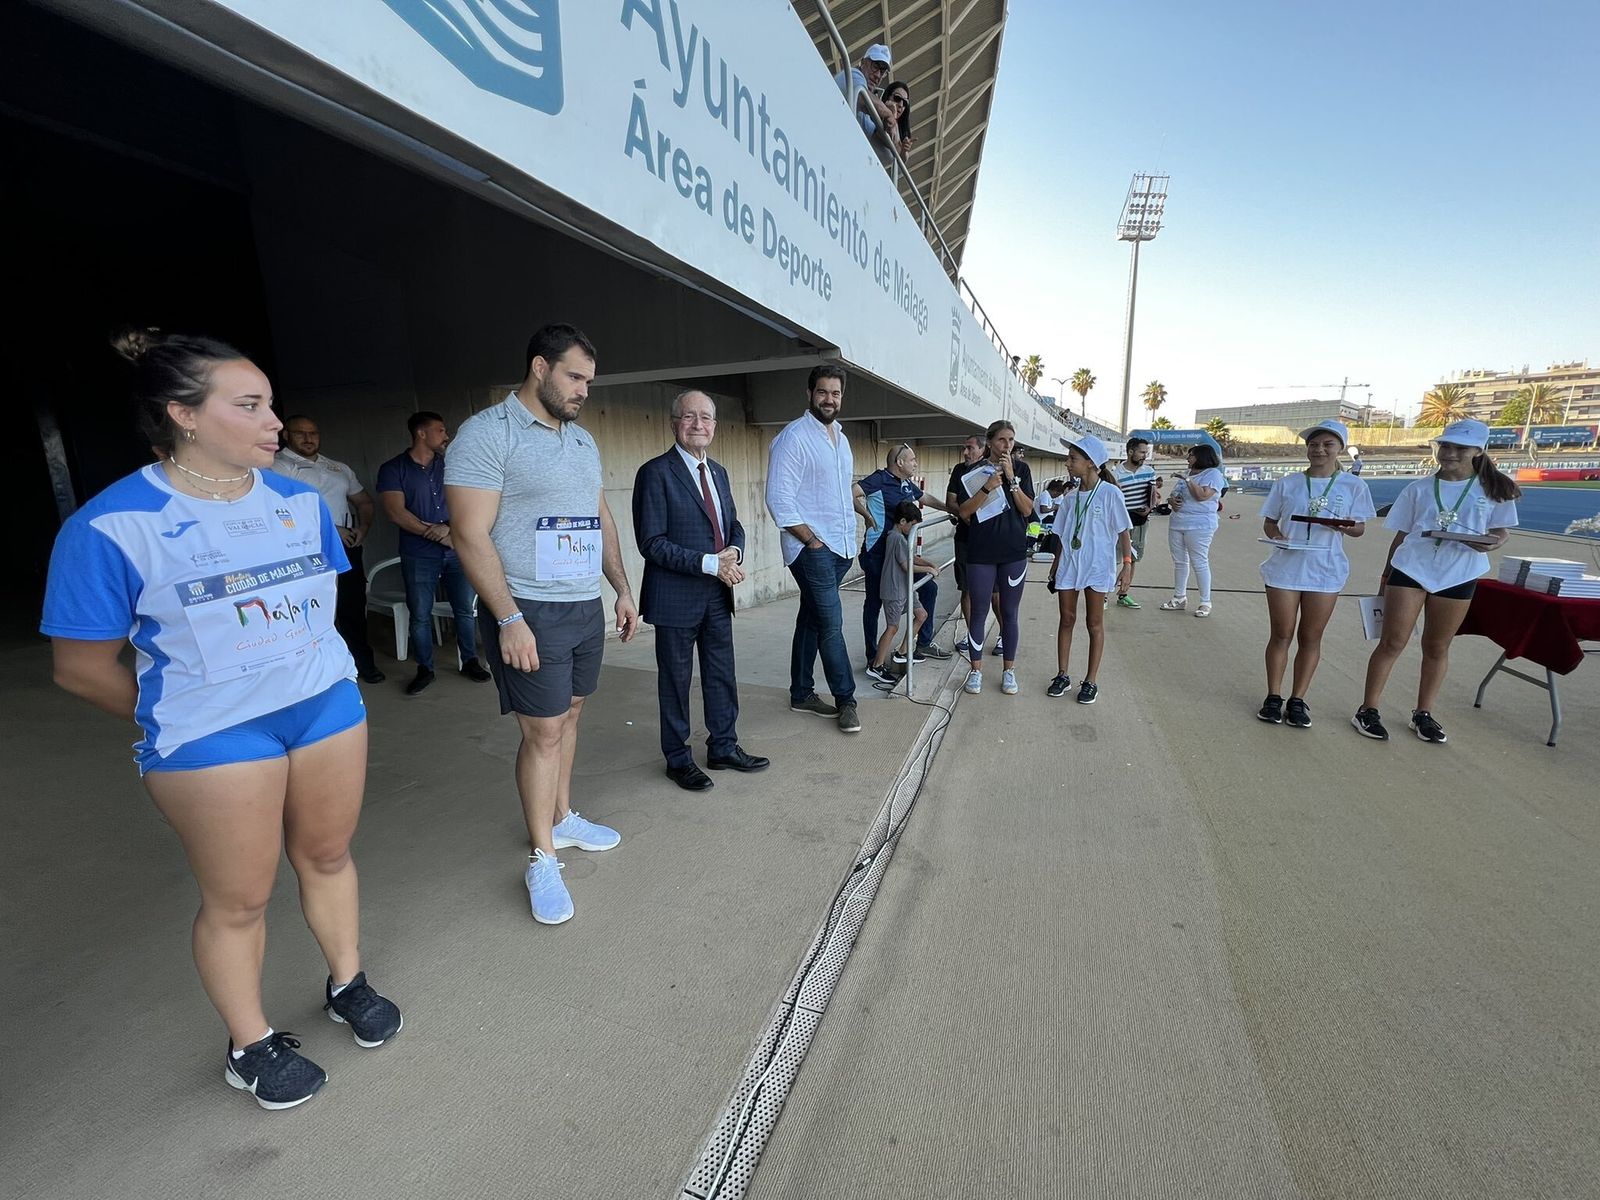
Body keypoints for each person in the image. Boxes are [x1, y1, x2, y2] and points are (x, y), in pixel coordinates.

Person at [42, 331, 401, 1110]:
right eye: (251, 406)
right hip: (214, 738)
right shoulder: (109, 527)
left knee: (330, 857)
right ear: (184, 416)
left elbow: (320, 614)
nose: (277, 421)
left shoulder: (301, 502)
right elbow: (79, 668)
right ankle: (251, 1044)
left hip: (326, 708)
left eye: (271, 403)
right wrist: (188, 715)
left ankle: (349, 983)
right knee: (239, 899)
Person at [445, 323, 638, 925]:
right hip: (529, 609)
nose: (584, 390)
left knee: (572, 713)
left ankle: (562, 815)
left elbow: (600, 514)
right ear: (538, 367)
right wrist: (509, 618)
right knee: (542, 733)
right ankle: (542, 855)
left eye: (589, 380)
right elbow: (468, 533)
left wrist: (622, 588)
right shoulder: (486, 435)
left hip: (582, 606)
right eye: (574, 377)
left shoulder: (581, 442)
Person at [633, 390, 769, 791]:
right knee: (675, 681)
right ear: (674, 423)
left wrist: (734, 549)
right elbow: (651, 542)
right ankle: (678, 759)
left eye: (706, 418)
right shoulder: (655, 472)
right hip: (675, 596)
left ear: (714, 425)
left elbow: (734, 526)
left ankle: (724, 746)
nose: (698, 425)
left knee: (721, 675)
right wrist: (711, 563)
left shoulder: (720, 473)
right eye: (689, 417)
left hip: (715, 595)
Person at [1353, 420, 1519, 744]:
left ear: (1478, 451)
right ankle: (1368, 710)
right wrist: (1385, 577)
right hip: (1411, 570)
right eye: (1445, 446)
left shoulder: (1494, 489)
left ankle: (1423, 713)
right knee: (1392, 642)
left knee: (1437, 646)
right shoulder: (1418, 488)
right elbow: (1402, 535)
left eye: (1460, 448)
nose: (1450, 453)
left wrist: (1492, 543)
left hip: (1459, 574)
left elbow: (1501, 532)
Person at [1257, 420, 1376, 728]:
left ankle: (1297, 700)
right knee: (1281, 634)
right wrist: (1277, 535)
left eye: (1328, 444)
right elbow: (1270, 521)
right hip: (1286, 566)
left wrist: (1343, 526)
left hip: (1325, 568)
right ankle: (1273, 696)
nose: (1319, 450)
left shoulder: (1354, 485)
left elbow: (1360, 528)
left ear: (1339, 449)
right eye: (1313, 444)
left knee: (1310, 636)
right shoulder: (1288, 483)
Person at [765, 364, 862, 735]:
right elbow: (779, 499)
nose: (829, 399)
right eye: (822, 392)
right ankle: (846, 700)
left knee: (811, 620)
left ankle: (801, 692)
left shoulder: (841, 438)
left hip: (839, 547)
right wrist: (811, 540)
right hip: (813, 549)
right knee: (831, 625)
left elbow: (840, 491)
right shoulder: (794, 438)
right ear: (810, 394)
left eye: (835, 393)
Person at [376, 412, 491, 695]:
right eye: (440, 430)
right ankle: (425, 668)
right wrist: (437, 531)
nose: (446, 435)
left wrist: (450, 530)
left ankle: (469, 661)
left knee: (464, 609)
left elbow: (470, 504)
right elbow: (395, 512)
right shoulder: (393, 469)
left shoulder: (454, 465)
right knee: (420, 614)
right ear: (421, 434)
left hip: (456, 551)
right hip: (418, 553)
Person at [275, 414, 384, 683]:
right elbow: (281, 511)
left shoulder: (337, 467)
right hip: (303, 551)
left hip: (346, 548)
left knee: (352, 607)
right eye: (300, 433)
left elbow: (365, 502)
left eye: (313, 433)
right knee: (309, 609)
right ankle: (317, 670)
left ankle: (361, 663)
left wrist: (363, 529)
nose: (308, 438)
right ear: (286, 435)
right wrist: (333, 531)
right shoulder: (276, 467)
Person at [1045, 435, 1132, 704]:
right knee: (1066, 618)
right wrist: (1056, 565)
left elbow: (1123, 532)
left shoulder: (1110, 493)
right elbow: (1061, 535)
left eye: (1073, 459)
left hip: (1097, 566)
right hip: (1070, 565)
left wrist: (1127, 566)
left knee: (1094, 623)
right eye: (1068, 458)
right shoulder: (1070, 498)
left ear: (1091, 463)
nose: (1067, 463)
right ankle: (1062, 674)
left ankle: (1091, 680)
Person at [952, 419, 1035, 695]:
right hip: (980, 553)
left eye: (1011, 440)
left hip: (1013, 552)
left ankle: (1008, 671)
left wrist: (1011, 480)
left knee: (1010, 613)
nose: (1007, 446)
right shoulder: (972, 472)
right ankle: (975, 671)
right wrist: (987, 486)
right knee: (979, 612)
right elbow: (964, 513)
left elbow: (1026, 510)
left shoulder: (1022, 469)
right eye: (1002, 440)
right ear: (990, 442)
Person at [853, 442, 952, 665]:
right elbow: (852, 493)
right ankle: (873, 655)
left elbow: (924, 498)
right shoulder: (879, 479)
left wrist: (950, 509)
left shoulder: (906, 484)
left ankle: (922, 643)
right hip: (877, 554)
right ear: (900, 462)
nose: (915, 463)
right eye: (912, 460)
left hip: (900, 552)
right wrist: (867, 517)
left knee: (928, 588)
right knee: (874, 603)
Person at [866, 501, 935, 688]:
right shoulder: (896, 538)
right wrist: (928, 569)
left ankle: (903, 652)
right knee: (892, 627)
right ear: (903, 521)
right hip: (894, 590)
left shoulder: (902, 539)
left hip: (905, 588)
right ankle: (876, 666)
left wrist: (929, 563)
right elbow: (906, 565)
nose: (913, 530)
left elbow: (911, 557)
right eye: (912, 526)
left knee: (921, 615)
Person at [1159, 443, 1226, 617]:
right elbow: (1174, 495)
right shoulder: (1187, 473)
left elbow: (1202, 495)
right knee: (1180, 561)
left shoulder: (1213, 474)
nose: (1188, 458)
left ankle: (1205, 602)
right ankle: (1179, 597)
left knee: (1199, 561)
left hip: (1200, 525)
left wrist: (1187, 480)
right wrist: (1171, 501)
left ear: (1201, 457)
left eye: (1191, 455)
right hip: (1178, 523)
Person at [1111, 437, 1159, 609]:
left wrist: (1150, 508)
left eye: (1146, 452)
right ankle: (1102, 595)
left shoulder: (1149, 472)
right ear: (1130, 451)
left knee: (1134, 558)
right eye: (1141, 452)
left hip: (1140, 521)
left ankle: (1123, 594)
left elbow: (1153, 494)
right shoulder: (1116, 473)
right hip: (1120, 522)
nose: (1144, 455)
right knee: (1114, 558)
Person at [834, 43, 897, 160]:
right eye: (875, 66)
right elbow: (862, 98)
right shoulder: (852, 74)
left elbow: (889, 154)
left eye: (882, 71)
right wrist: (887, 113)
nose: (878, 75)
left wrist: (892, 121)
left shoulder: (869, 112)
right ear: (863, 62)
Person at [881, 79, 915, 160]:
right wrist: (891, 114)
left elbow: (903, 159)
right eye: (897, 98)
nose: (901, 105)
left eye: (905, 103)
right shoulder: (873, 113)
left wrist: (904, 150)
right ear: (888, 97)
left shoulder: (900, 132)